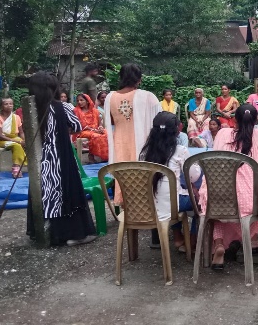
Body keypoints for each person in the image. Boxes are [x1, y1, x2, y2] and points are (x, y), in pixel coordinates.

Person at [198, 105, 258, 269]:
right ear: (255, 121)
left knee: (218, 206)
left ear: (234, 119)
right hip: (249, 204)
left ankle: (219, 244)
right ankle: (251, 239)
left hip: (222, 201)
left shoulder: (222, 133)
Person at [27, 71, 96, 246]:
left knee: (46, 194)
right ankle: (74, 234)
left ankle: (46, 234)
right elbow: (77, 126)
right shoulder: (61, 107)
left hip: (40, 161)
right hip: (60, 159)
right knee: (66, 193)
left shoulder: (29, 109)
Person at [140, 112, 203, 252]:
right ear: (176, 131)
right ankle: (192, 240)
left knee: (171, 193)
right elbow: (193, 176)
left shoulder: (144, 152)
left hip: (149, 203)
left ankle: (178, 236)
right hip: (174, 203)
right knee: (202, 200)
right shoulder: (180, 151)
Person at [105, 63, 161, 206]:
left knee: (124, 174)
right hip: (143, 144)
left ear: (120, 78)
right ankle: (145, 208)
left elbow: (111, 120)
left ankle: (128, 211)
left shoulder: (110, 98)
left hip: (119, 144)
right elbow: (159, 121)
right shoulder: (147, 97)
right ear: (139, 79)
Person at [0, 97, 26, 178]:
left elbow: (21, 132)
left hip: (14, 139)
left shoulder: (16, 117)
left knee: (27, 144)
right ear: (1, 107)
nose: (9, 105)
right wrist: (18, 142)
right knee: (16, 145)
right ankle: (16, 169)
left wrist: (23, 141)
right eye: (6, 104)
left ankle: (32, 167)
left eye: (11, 104)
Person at [73, 93, 109, 162]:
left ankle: (105, 156)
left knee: (107, 134)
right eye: (78, 101)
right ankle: (92, 156)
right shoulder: (76, 111)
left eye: (81, 100)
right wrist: (94, 130)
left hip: (95, 130)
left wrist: (100, 127)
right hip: (82, 131)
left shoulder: (95, 111)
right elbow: (79, 125)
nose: (79, 102)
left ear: (87, 101)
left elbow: (99, 122)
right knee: (96, 136)